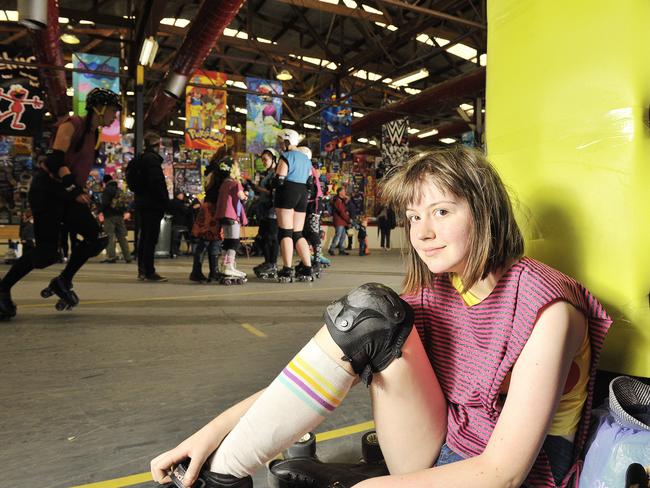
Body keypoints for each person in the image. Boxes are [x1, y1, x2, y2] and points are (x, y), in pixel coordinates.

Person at [150, 147, 612, 488]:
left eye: (442, 211)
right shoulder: (439, 291)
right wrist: (209, 434)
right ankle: (221, 477)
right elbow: (317, 369)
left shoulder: (547, 306)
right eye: (413, 217)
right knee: (370, 313)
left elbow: (503, 473)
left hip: (510, 476)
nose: (422, 233)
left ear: (486, 212)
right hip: (441, 448)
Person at [0, 88, 119, 318]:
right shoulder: (72, 124)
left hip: (67, 192)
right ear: (100, 108)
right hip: (48, 190)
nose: (115, 116)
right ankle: (3, 288)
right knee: (47, 253)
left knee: (98, 238)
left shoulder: (94, 135)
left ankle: (63, 281)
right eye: (113, 110)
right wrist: (73, 188)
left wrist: (77, 189)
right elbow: (55, 160)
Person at [273, 128, 314, 282]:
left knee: (286, 233)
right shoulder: (306, 159)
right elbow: (310, 182)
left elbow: (279, 180)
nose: (279, 145)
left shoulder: (286, 156)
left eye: (280, 141)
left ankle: (287, 269)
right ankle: (308, 268)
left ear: (287, 140)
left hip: (287, 192)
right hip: (302, 194)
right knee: (298, 233)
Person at [131, 131, 169, 282]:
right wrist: (165, 201)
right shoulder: (152, 160)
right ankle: (149, 271)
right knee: (150, 239)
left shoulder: (139, 159)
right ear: (156, 145)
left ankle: (142, 270)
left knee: (144, 237)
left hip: (141, 202)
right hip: (152, 204)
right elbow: (157, 183)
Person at [214, 156, 248, 284]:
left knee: (227, 241)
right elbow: (242, 197)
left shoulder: (223, 183)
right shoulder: (235, 183)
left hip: (223, 216)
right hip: (233, 216)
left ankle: (225, 265)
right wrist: (246, 196)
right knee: (234, 241)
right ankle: (229, 266)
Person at [295, 146, 325, 278]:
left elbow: (310, 192)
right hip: (307, 207)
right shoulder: (308, 172)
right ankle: (305, 260)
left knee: (313, 234)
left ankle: (317, 262)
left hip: (313, 207)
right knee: (305, 234)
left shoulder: (310, 173)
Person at [252, 148, 280, 280]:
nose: (263, 162)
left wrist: (257, 188)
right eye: (262, 159)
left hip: (273, 209)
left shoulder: (277, 173)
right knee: (262, 237)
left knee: (271, 238)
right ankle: (268, 261)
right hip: (264, 208)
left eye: (266, 159)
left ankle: (272, 263)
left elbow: (273, 192)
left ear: (273, 159)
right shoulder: (267, 173)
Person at [100, 174, 131, 263]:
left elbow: (105, 203)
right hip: (120, 216)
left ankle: (111, 257)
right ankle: (128, 257)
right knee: (122, 237)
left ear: (105, 182)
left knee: (110, 237)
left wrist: (99, 210)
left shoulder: (107, 190)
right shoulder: (119, 189)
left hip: (109, 216)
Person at [328, 186, 352, 256]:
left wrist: (346, 199)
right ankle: (331, 249)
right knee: (338, 235)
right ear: (340, 192)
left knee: (343, 236)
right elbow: (342, 212)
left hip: (342, 221)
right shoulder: (337, 201)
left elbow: (344, 208)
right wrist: (348, 220)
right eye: (344, 191)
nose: (345, 193)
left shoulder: (341, 200)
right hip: (339, 220)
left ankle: (341, 250)